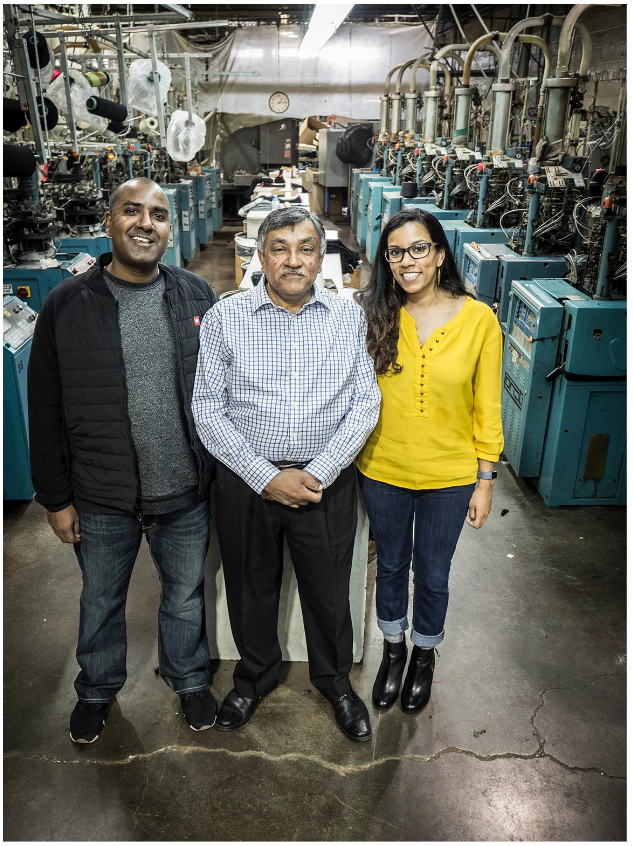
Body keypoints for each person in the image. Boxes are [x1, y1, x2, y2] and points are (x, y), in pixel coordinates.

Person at [28, 177, 219, 744]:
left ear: (170, 227)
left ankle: (188, 679)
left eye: (158, 214)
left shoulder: (196, 295)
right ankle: (96, 689)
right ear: (109, 222)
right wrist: (55, 498)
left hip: (184, 488)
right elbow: (45, 408)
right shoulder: (66, 303)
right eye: (132, 211)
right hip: (101, 492)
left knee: (185, 596)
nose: (146, 223)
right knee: (101, 598)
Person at [192, 206, 381, 741]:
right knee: (251, 588)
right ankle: (252, 678)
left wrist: (317, 472)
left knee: (328, 589)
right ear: (260, 255)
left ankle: (335, 682)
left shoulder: (347, 316)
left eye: (304, 248)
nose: (292, 260)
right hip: (246, 482)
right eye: (279, 247)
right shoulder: (228, 316)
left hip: (327, 481)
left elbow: (365, 404)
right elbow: (207, 406)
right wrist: (264, 476)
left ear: (322, 258)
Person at [355, 207, 503, 715]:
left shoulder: (479, 320)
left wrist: (485, 479)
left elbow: (488, 406)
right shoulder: (373, 312)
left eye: (419, 248)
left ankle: (424, 653)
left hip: (450, 475)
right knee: (391, 567)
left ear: (440, 254)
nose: (407, 261)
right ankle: (392, 651)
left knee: (433, 572)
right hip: (383, 469)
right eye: (395, 252)